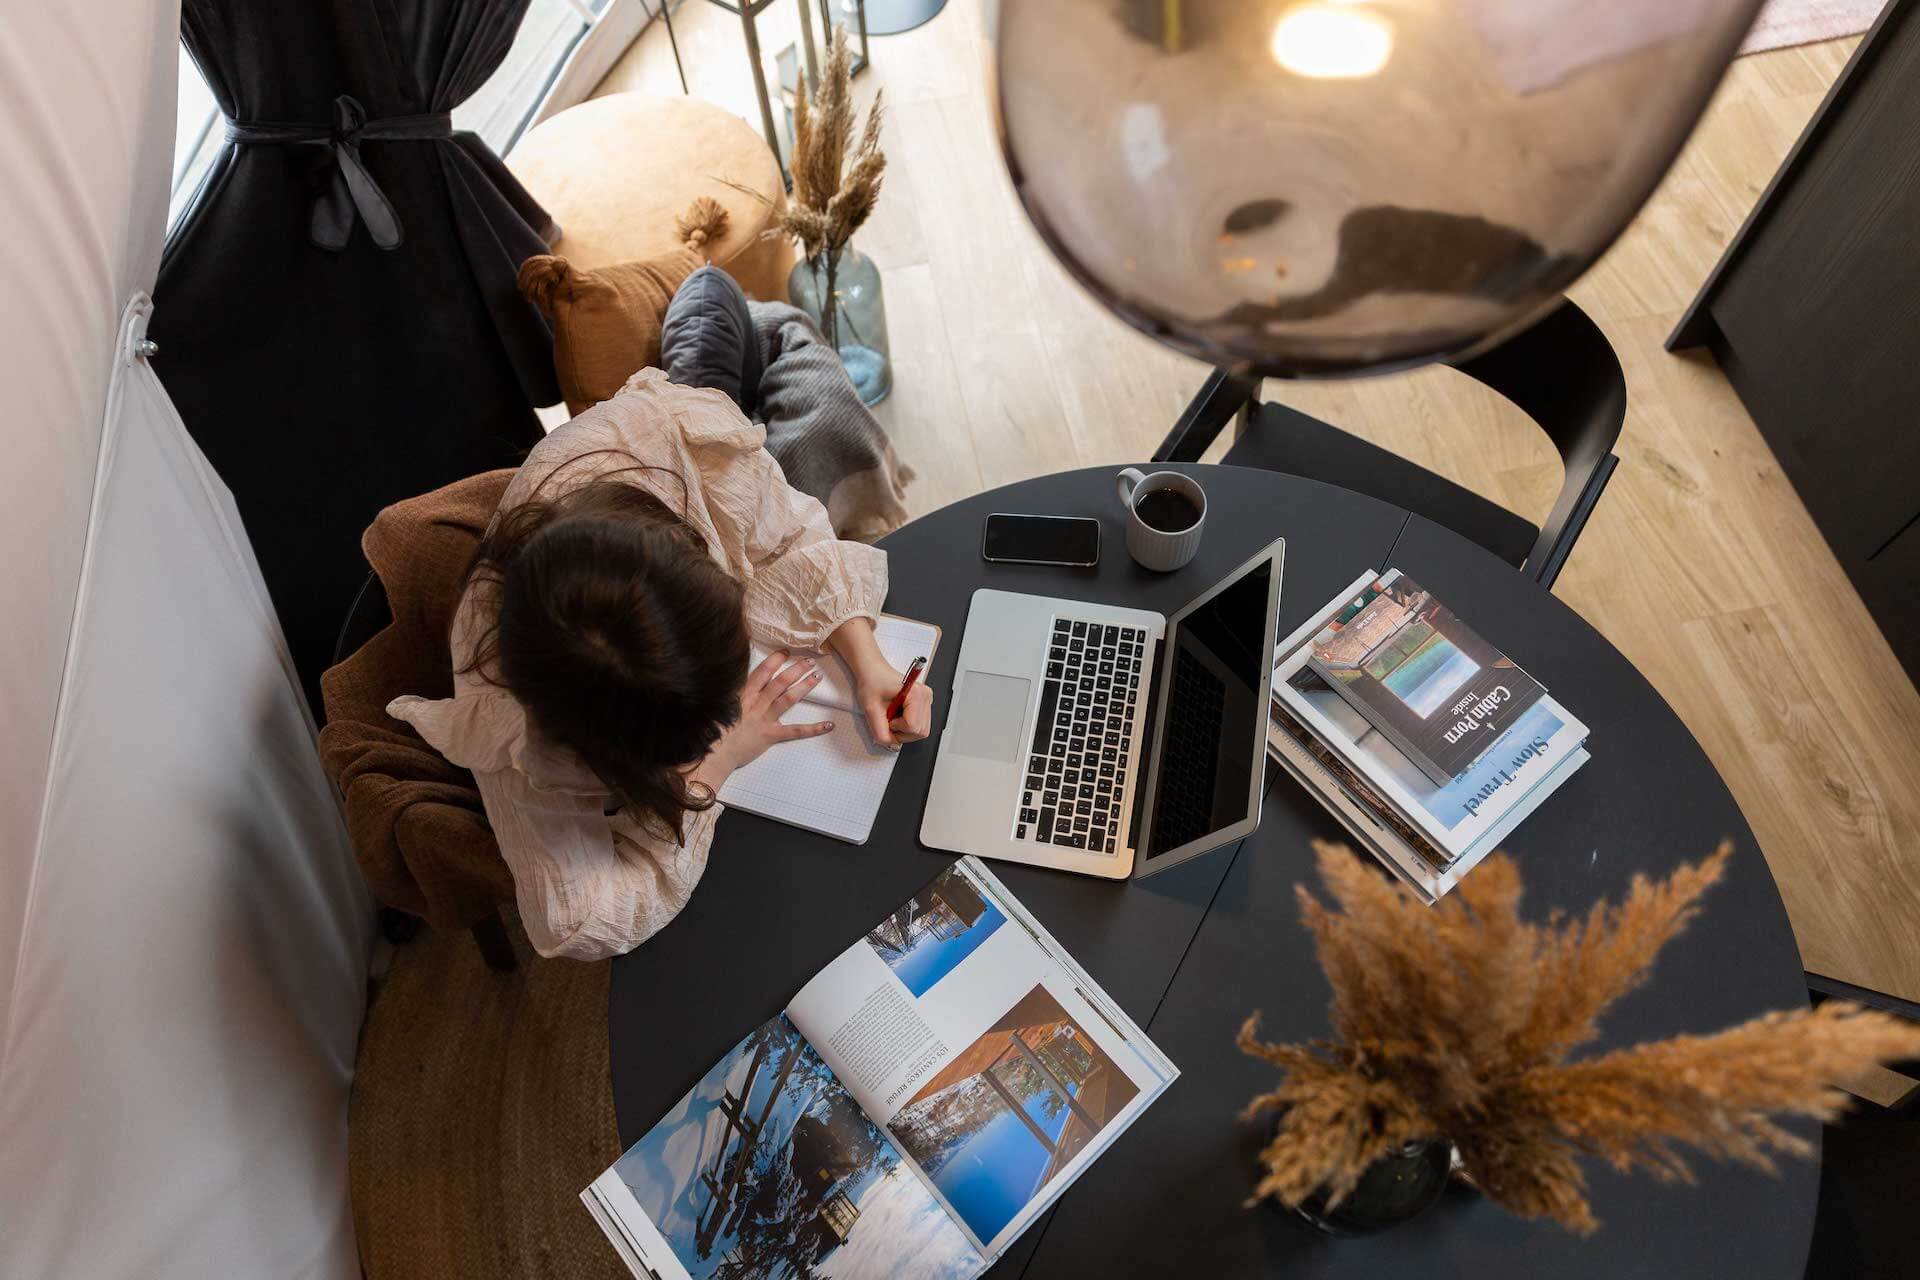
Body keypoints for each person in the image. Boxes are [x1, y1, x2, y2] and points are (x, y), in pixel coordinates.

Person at [389, 368, 933, 960]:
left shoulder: (663, 439)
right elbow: (580, 919)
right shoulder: (514, 723)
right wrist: (717, 763)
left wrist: (865, 655)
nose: (737, 706)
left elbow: (786, 535)